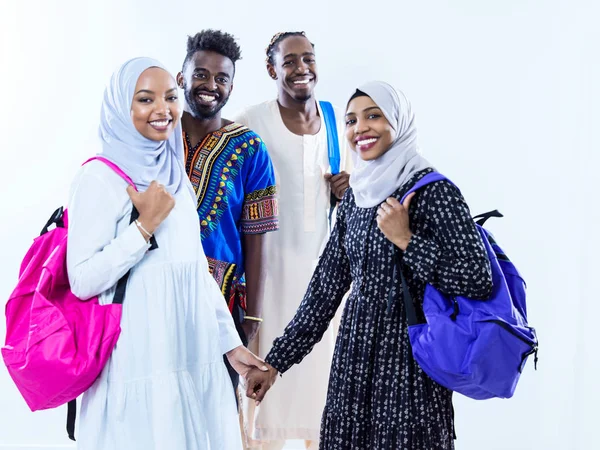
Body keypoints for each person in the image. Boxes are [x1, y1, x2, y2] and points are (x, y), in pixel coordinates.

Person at [246, 81, 494, 449]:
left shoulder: (433, 191)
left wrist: (406, 240)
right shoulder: (357, 199)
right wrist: (275, 363)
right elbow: (324, 293)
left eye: (373, 116)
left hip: (411, 366)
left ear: (398, 121)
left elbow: (477, 279)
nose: (360, 128)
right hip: (354, 361)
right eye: (350, 120)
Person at [67, 57, 267, 450]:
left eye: (170, 98)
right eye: (145, 99)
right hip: (138, 357)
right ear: (122, 108)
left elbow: (193, 270)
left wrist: (230, 343)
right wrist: (144, 228)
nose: (163, 110)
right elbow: (82, 280)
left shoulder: (175, 176)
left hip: (190, 350)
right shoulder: (99, 178)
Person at [233, 31, 352, 450]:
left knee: (322, 404)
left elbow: (359, 197)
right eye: (289, 61)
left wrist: (343, 193)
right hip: (268, 283)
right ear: (272, 70)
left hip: (322, 289)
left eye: (309, 58)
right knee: (263, 408)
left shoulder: (338, 123)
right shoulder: (252, 120)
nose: (302, 68)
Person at [177, 30, 279, 394]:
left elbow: (257, 238)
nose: (210, 85)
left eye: (222, 78)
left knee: (213, 405)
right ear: (181, 78)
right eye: (201, 74)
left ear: (232, 88)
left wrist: (252, 315)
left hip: (222, 303)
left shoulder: (250, 148)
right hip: (155, 292)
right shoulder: (158, 136)